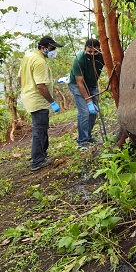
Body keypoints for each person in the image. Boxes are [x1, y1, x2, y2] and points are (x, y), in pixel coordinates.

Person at [18, 36, 63, 171]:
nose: (53, 51)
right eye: (51, 48)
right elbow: (41, 86)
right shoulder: (40, 62)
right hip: (38, 100)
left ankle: (41, 156)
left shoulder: (29, 56)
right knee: (39, 130)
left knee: (41, 129)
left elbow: (20, 78)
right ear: (43, 48)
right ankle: (37, 161)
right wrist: (52, 102)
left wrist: (27, 89)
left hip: (29, 97)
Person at [68, 38, 104, 147]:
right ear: (85, 49)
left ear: (99, 50)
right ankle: (82, 141)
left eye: (95, 52)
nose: (92, 54)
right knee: (85, 112)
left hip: (92, 84)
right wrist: (88, 102)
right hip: (77, 85)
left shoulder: (102, 57)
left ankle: (88, 136)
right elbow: (80, 83)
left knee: (93, 113)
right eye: (89, 52)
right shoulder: (79, 59)